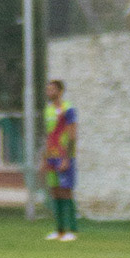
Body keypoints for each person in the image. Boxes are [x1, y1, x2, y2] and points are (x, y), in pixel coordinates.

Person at [43, 78, 78, 238]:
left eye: (52, 89)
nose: (49, 92)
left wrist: (67, 158)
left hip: (64, 156)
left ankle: (71, 230)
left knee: (66, 191)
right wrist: (45, 157)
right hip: (51, 156)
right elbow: (48, 135)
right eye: (47, 89)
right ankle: (59, 230)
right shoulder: (48, 110)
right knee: (55, 191)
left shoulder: (68, 109)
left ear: (60, 91)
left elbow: (72, 135)